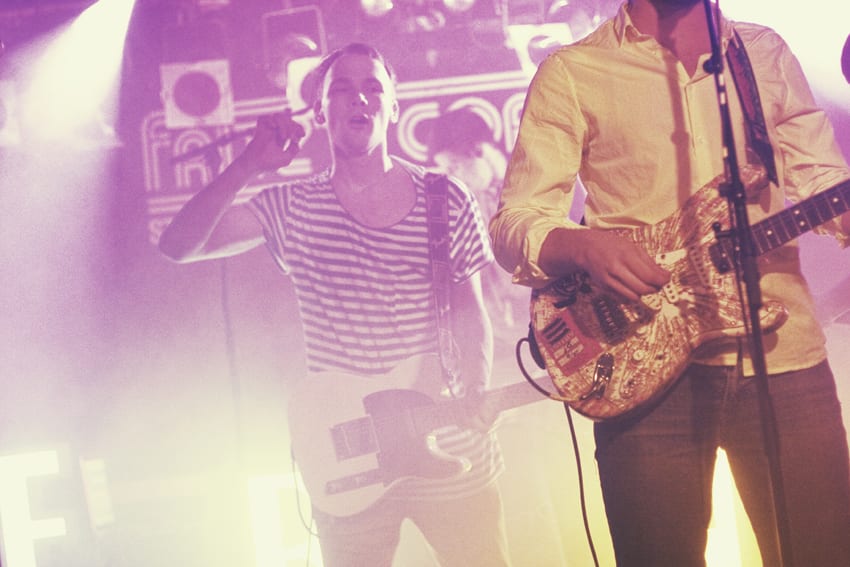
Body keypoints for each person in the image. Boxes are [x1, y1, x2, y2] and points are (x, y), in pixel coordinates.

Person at [490, 1, 850, 566]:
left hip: (783, 358)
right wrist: (584, 245)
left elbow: (821, 178)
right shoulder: (573, 70)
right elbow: (516, 220)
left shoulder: (761, 52)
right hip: (639, 367)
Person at [159, 43, 512, 567]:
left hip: (448, 437)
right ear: (320, 112)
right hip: (348, 454)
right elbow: (178, 245)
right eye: (342, 89)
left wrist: (476, 389)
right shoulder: (293, 205)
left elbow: (469, 312)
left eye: (372, 88)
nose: (359, 98)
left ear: (394, 107)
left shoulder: (446, 197)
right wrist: (249, 164)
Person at [427, 107, 528, 359]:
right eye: (447, 167)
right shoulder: (449, 203)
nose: (451, 174)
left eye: (455, 165)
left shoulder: (516, 191)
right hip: (493, 338)